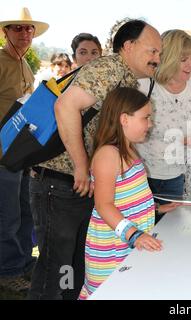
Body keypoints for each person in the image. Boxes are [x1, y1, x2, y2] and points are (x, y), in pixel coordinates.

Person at [27, 19, 161, 300]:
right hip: (61, 181)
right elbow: (65, 106)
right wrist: (80, 165)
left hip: (75, 184)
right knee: (58, 268)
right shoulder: (109, 68)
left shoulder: (125, 77)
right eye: (153, 51)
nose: (157, 59)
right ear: (129, 46)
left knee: (72, 266)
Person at [78, 87, 179, 299]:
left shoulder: (129, 150)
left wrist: (157, 207)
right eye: (146, 118)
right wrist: (135, 235)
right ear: (124, 119)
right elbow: (104, 205)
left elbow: (128, 196)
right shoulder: (108, 154)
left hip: (130, 243)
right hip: (112, 249)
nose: (150, 124)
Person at [0, 7, 49, 293]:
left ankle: (19, 262)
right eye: (17, 28)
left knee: (23, 211)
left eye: (28, 29)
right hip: (3, 155)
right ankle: (7, 271)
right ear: (5, 32)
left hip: (19, 152)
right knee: (7, 215)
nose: (24, 33)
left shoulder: (25, 64)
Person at [137, 29, 191, 221]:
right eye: (183, 58)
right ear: (168, 58)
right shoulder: (144, 87)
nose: (190, 64)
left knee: (169, 233)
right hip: (140, 178)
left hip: (176, 177)